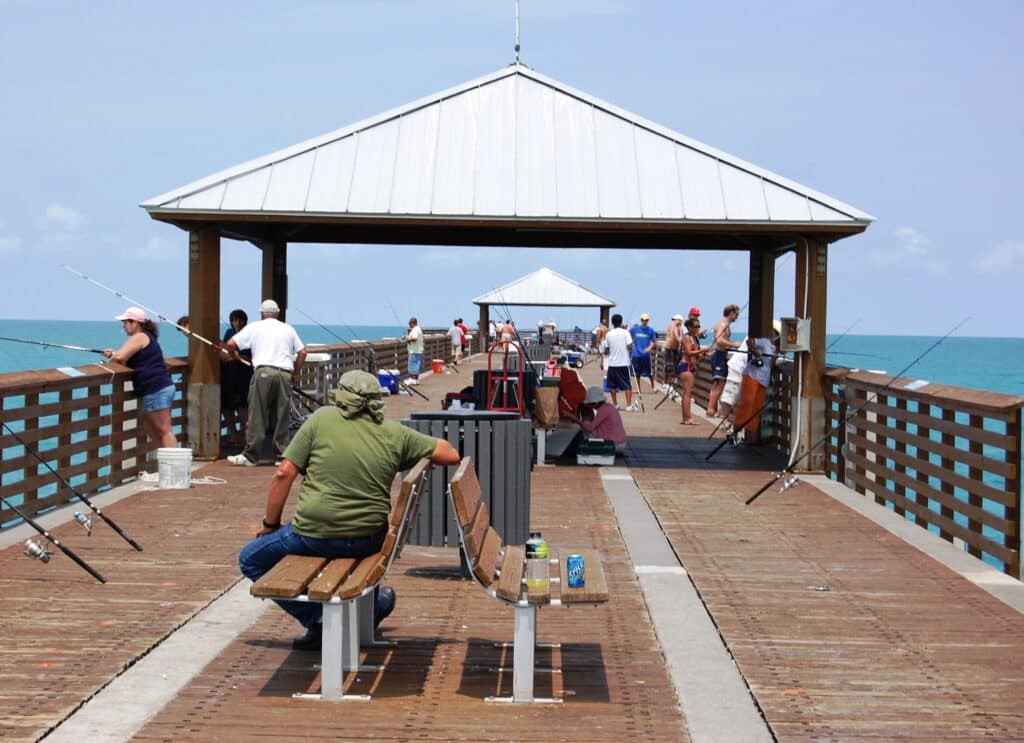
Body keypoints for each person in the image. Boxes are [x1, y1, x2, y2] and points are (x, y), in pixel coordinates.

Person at [238, 370, 461, 650]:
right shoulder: (393, 433)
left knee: (249, 559)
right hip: (369, 540)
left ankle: (317, 619)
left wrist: (270, 525)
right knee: (365, 536)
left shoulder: (320, 420)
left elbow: (283, 474)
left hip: (314, 537)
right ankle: (372, 607)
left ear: (340, 396)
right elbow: (450, 453)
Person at [225, 300, 307, 466]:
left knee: (258, 413)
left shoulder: (255, 327)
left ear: (262, 314)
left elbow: (231, 344)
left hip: (263, 372)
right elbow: (303, 352)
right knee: (281, 414)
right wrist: (296, 373)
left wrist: (236, 357)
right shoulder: (288, 329)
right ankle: (281, 456)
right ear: (277, 313)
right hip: (284, 373)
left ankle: (251, 455)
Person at [103, 307, 178, 449]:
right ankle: (164, 465)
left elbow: (120, 356)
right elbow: (131, 359)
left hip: (156, 388)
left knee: (164, 430)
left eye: (125, 323)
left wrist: (113, 356)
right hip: (155, 388)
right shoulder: (147, 336)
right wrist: (115, 355)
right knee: (151, 427)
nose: (124, 326)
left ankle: (175, 468)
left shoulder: (140, 336)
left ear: (135, 323)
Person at [732, 330, 781, 445]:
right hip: (752, 376)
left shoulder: (776, 352)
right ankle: (735, 433)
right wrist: (756, 351)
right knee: (746, 405)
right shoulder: (765, 342)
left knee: (756, 410)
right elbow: (750, 342)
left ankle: (750, 438)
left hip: (763, 381)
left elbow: (771, 364)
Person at [221, 309, 252, 447]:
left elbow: (251, 357)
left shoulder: (250, 334)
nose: (237, 323)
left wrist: (238, 357)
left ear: (245, 321)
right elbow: (225, 351)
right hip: (229, 373)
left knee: (242, 406)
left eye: (240, 320)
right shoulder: (229, 333)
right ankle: (234, 436)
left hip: (244, 374)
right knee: (227, 406)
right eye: (234, 320)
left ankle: (247, 438)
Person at [706, 304, 743, 418]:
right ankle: (711, 409)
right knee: (719, 383)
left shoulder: (723, 324)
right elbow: (719, 340)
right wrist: (734, 344)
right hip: (719, 355)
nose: (737, 316)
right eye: (736, 314)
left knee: (719, 383)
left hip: (720, 355)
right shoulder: (724, 324)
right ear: (731, 313)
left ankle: (714, 409)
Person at [570, 386, 627, 454]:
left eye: (590, 404)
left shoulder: (603, 410)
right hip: (620, 443)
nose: (590, 407)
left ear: (596, 403)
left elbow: (590, 428)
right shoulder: (609, 406)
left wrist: (575, 419)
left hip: (613, 445)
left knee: (586, 425)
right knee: (588, 425)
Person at [678, 317, 711, 424]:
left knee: (688, 393)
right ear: (689, 327)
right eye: (695, 326)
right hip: (685, 366)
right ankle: (687, 418)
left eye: (698, 326)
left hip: (691, 367)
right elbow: (689, 352)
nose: (697, 328)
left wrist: (703, 353)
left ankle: (686, 418)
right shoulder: (686, 338)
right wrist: (703, 350)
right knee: (687, 394)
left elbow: (696, 354)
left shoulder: (695, 338)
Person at [600, 313, 634, 410]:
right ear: (621, 322)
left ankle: (615, 404)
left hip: (612, 363)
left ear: (612, 322)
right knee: (627, 385)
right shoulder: (626, 333)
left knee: (612, 385)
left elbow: (606, 348)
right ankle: (628, 405)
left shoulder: (609, 334)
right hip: (624, 363)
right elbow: (630, 346)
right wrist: (630, 345)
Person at [716, 339, 748, 423]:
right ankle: (724, 419)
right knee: (731, 394)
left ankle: (723, 415)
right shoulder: (754, 336)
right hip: (737, 368)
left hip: (743, 370)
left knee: (736, 394)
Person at [629, 313, 658, 392]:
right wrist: (631, 342)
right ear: (641, 320)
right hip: (636, 353)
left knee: (649, 372)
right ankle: (639, 388)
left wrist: (649, 348)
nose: (644, 321)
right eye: (643, 320)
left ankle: (653, 386)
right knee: (637, 373)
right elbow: (628, 335)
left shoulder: (650, 330)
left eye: (646, 320)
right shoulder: (635, 329)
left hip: (645, 354)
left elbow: (653, 341)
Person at [663, 314, 684, 385]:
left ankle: (665, 384)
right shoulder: (675, 326)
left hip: (668, 348)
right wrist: (682, 341)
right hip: (671, 349)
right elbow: (676, 337)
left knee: (667, 367)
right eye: (681, 322)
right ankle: (669, 385)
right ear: (679, 320)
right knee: (671, 368)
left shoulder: (670, 325)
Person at [403, 317, 424, 384]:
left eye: (409, 323)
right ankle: (416, 380)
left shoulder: (415, 329)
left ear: (413, 323)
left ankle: (412, 379)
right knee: (416, 365)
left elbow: (414, 339)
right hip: (418, 350)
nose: (409, 324)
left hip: (414, 351)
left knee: (412, 365)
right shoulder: (418, 329)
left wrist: (407, 340)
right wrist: (408, 338)